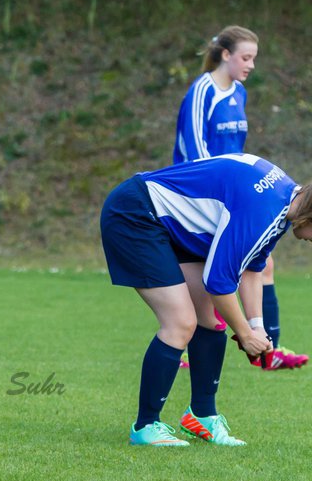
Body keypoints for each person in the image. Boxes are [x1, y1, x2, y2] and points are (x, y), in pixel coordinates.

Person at [100, 153, 312, 446]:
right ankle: (145, 426)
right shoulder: (263, 210)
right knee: (181, 323)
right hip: (135, 214)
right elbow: (218, 283)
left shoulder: (283, 198)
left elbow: (252, 267)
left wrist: (256, 325)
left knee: (210, 321)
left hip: (168, 223)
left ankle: (202, 415)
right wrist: (245, 334)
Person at [172, 26, 307, 370]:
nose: (251, 65)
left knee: (258, 264)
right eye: (246, 57)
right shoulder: (203, 90)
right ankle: (188, 343)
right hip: (204, 196)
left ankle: (266, 344)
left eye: (254, 58)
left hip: (236, 196)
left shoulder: (239, 92)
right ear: (225, 55)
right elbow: (194, 148)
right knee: (213, 273)